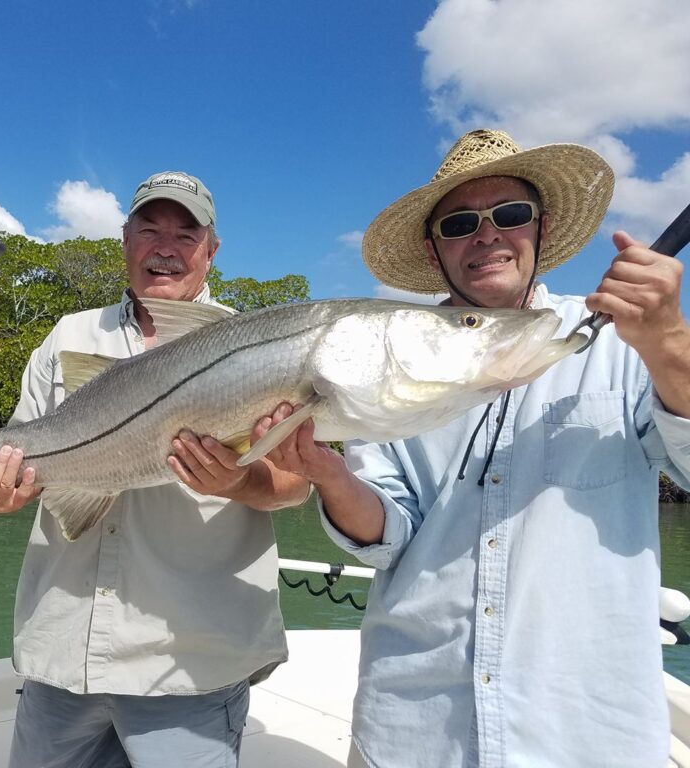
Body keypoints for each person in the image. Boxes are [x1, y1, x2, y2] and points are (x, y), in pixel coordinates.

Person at [260, 129, 690, 767]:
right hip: (412, 729)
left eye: (509, 215)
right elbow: (390, 531)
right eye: (460, 222)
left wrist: (669, 341)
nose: (486, 235)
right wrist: (330, 475)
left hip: (587, 737)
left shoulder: (626, 343)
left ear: (540, 230)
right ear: (435, 253)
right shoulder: (386, 359)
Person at [0, 170, 311, 767]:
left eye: (187, 233)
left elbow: (297, 484)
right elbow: (21, 458)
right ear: (125, 239)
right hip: (60, 655)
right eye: (149, 229)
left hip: (187, 667)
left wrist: (241, 481)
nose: (166, 248)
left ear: (211, 250)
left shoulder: (261, 345)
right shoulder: (69, 336)